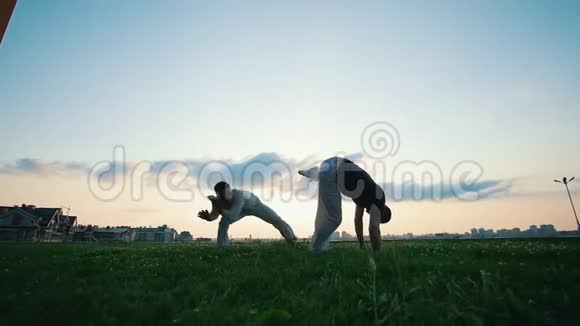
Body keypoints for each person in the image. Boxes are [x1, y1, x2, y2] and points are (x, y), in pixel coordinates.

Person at [298, 157, 391, 253]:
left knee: (326, 212)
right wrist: (377, 253)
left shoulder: (365, 198)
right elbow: (374, 228)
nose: (373, 217)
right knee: (334, 219)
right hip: (333, 173)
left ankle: (311, 172)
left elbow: (358, 220)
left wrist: (361, 244)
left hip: (330, 164)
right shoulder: (379, 200)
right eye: (379, 219)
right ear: (382, 212)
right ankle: (316, 249)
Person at [197, 181, 297, 247]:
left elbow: (232, 215)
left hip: (254, 205)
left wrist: (219, 206)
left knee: (275, 219)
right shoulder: (219, 201)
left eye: (229, 191)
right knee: (223, 223)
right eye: (226, 193)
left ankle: (291, 239)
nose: (229, 194)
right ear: (219, 194)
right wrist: (208, 217)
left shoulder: (238, 195)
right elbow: (214, 215)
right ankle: (223, 247)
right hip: (238, 211)